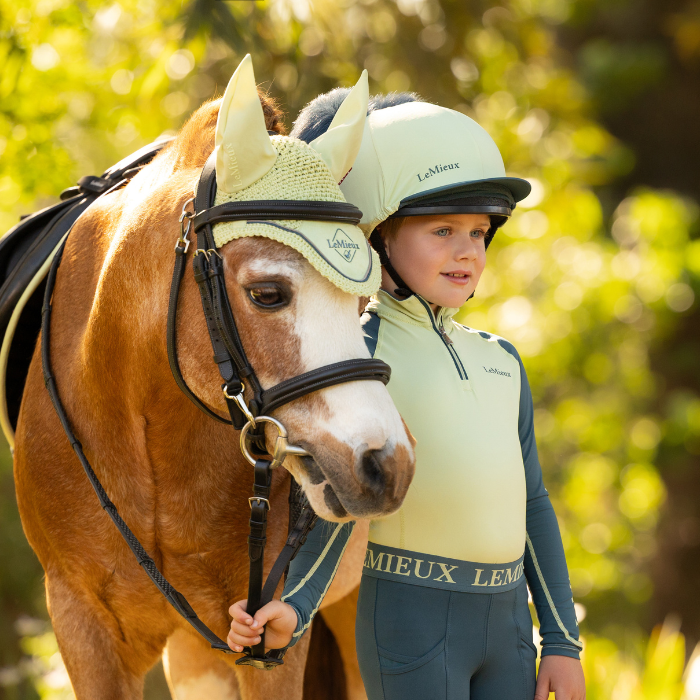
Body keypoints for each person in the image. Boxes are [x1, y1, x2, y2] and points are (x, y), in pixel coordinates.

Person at [227, 91, 586, 700]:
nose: (468, 250)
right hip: (412, 619)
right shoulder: (359, 355)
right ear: (379, 236)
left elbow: (532, 502)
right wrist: (297, 606)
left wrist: (560, 640)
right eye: (442, 229)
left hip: (508, 628)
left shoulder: (501, 360)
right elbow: (346, 500)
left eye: (478, 231)